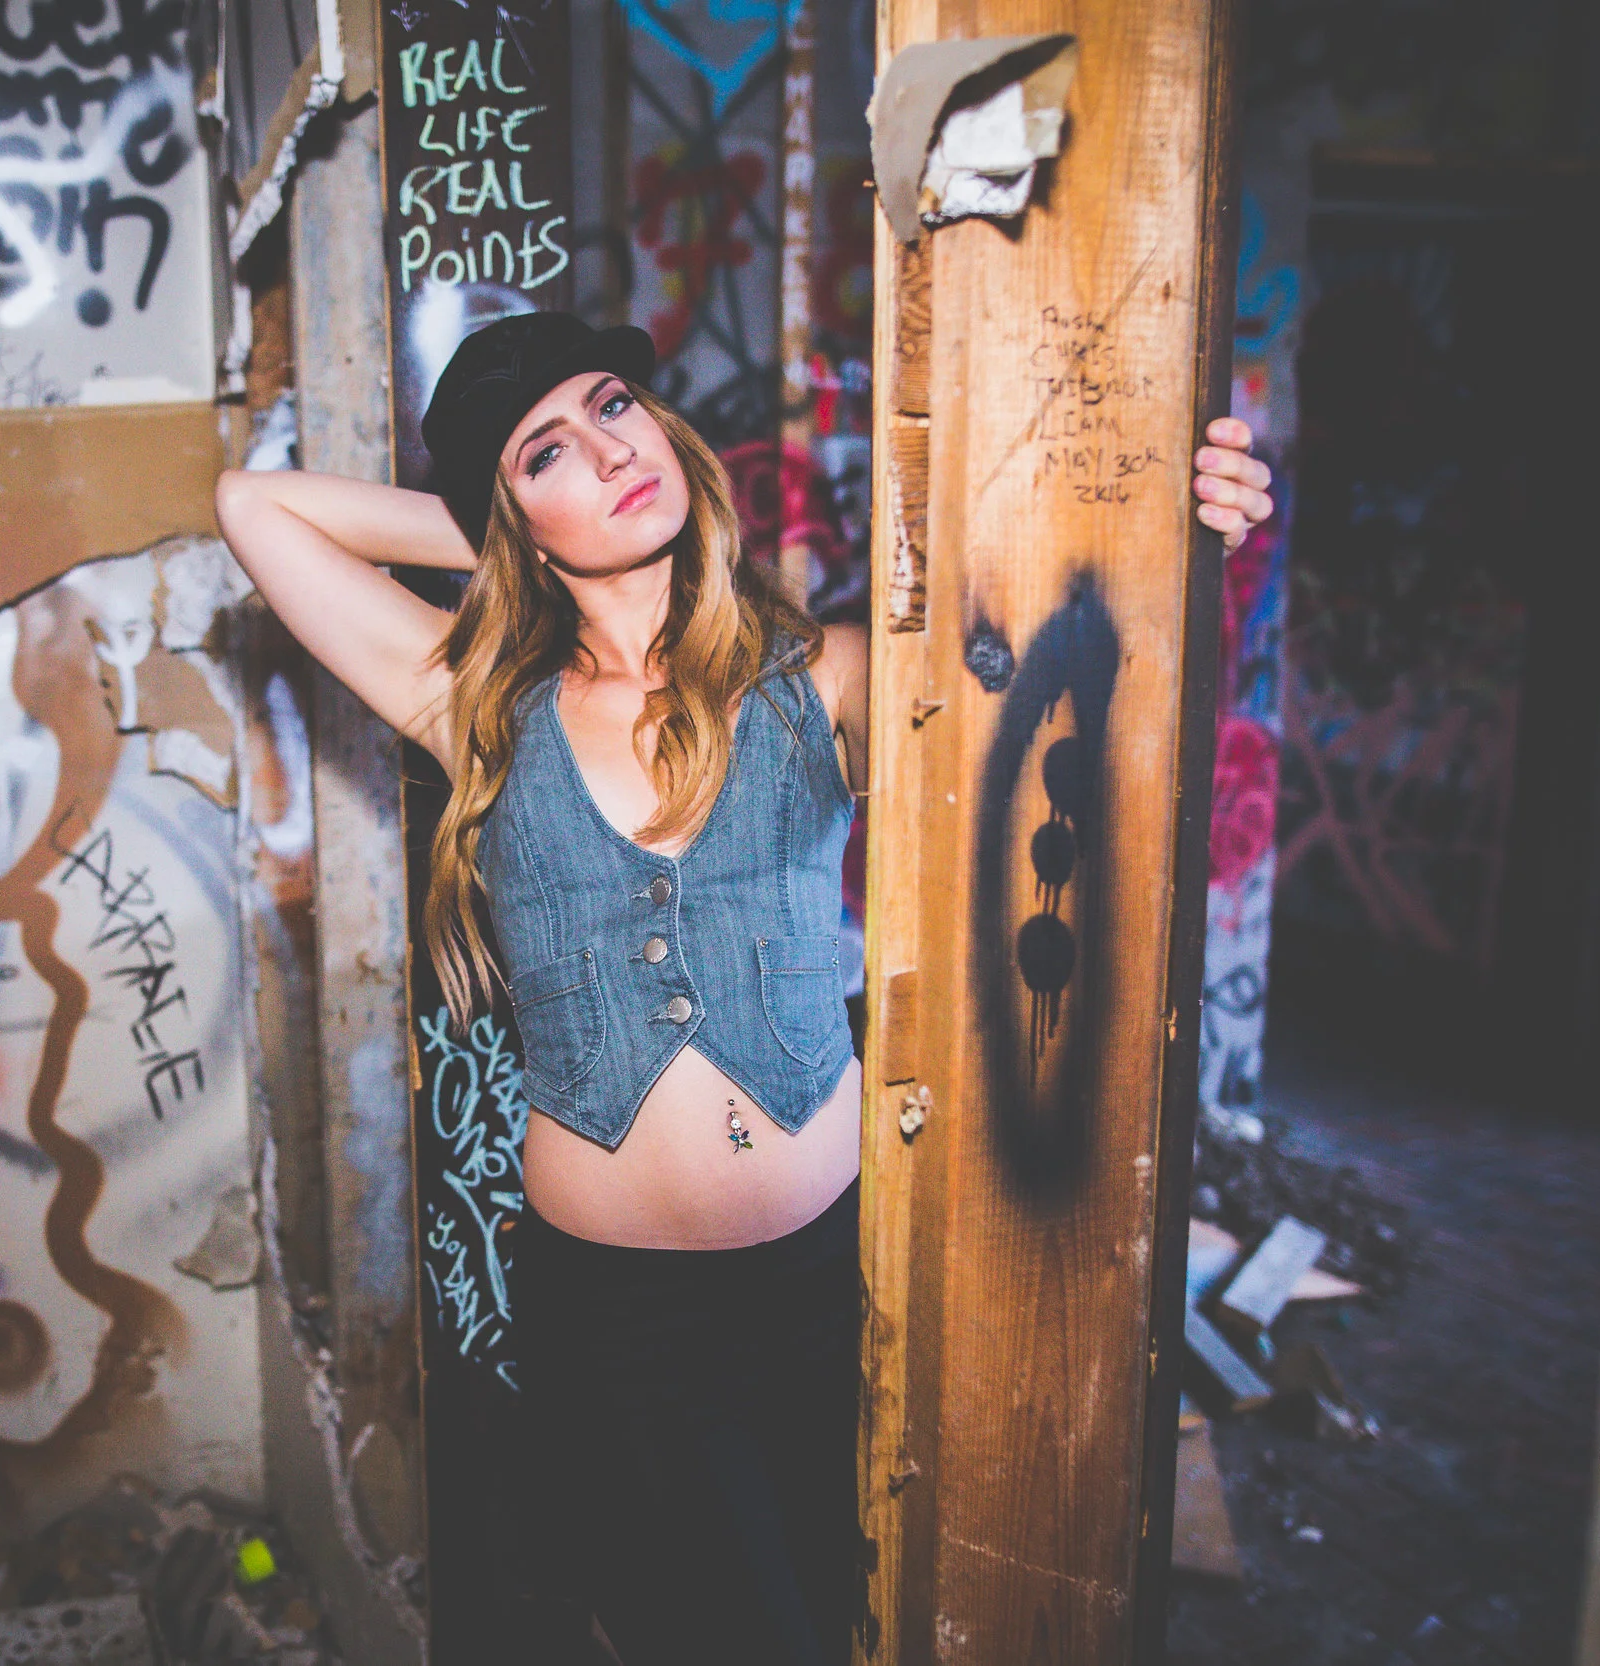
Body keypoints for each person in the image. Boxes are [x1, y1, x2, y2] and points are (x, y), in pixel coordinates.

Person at [213, 313, 1274, 1665]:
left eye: (615, 407)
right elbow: (253, 505)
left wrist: (1185, 545)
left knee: (854, 1624)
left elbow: (1081, 728)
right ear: (510, 518)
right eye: (548, 451)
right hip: (621, 1326)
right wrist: (498, 531)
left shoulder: (825, 677)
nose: (610, 448)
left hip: (837, 1283)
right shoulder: (473, 702)